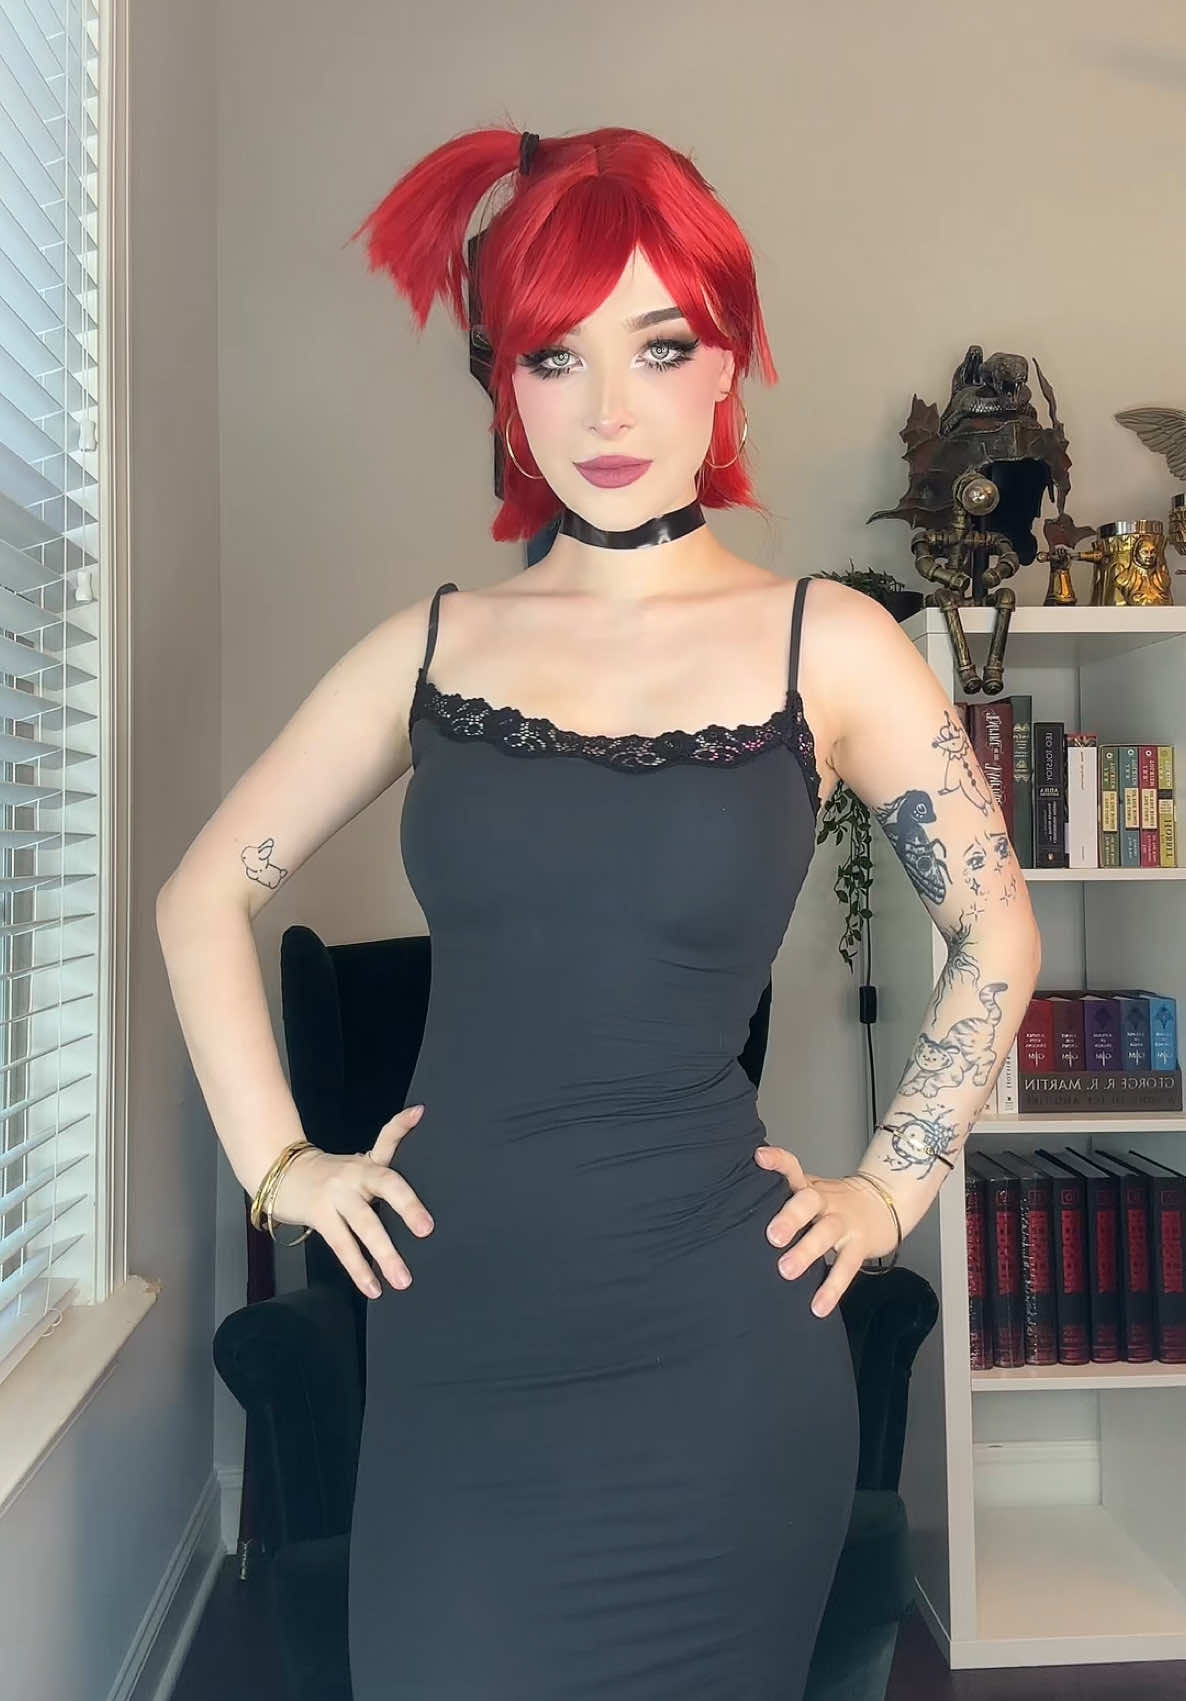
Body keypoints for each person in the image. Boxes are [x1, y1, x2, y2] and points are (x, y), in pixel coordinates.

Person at [156, 123, 1041, 1701]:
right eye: (554, 356)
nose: (609, 408)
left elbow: (998, 931)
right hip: (460, 1348)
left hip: (718, 1361)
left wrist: (886, 1190)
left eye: (659, 345)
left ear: (728, 361)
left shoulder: (828, 645)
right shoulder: (432, 648)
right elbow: (198, 893)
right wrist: (284, 1168)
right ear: (506, 385)